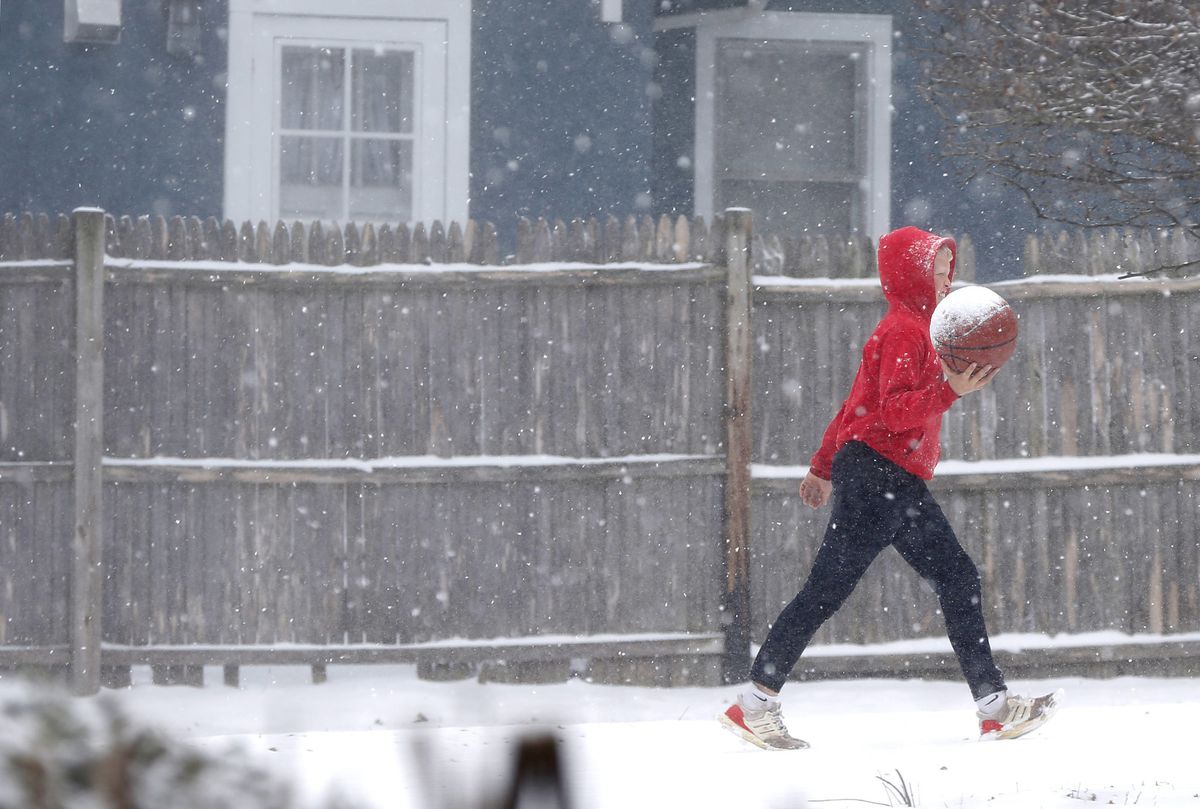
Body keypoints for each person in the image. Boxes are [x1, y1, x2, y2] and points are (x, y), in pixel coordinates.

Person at [719, 226, 1059, 750]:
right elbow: (895, 413)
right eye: (936, 271)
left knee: (914, 581)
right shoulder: (903, 331)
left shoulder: (921, 329)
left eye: (948, 270)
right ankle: (754, 705)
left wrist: (822, 467)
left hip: (881, 474)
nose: (946, 280)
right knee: (859, 587)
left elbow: (854, 407)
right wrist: (950, 390)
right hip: (879, 475)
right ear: (910, 275)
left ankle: (994, 708)